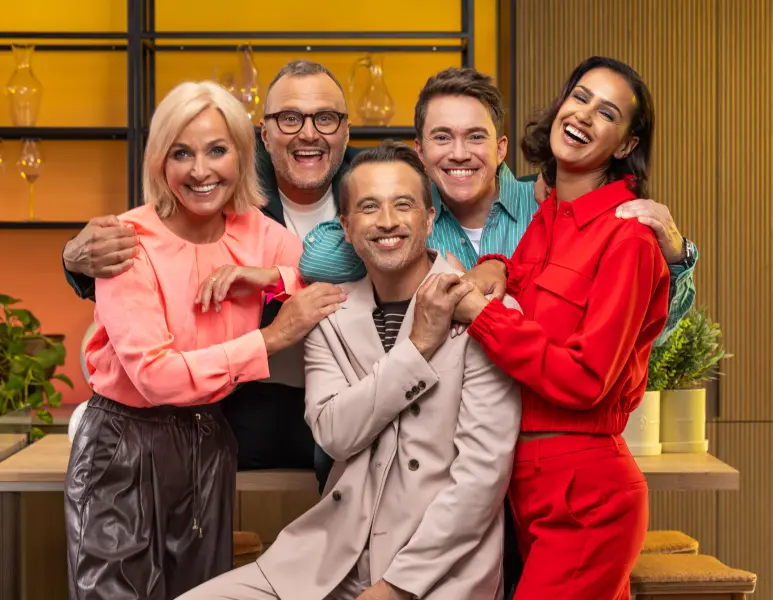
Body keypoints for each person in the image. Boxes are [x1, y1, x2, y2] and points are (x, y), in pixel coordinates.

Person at [178, 141, 522, 600]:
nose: (387, 221)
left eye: (403, 204)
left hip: (439, 572)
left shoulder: (485, 310)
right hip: (331, 557)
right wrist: (417, 347)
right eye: (368, 207)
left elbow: (480, 481)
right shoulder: (330, 314)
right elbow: (334, 434)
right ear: (345, 226)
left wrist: (396, 587)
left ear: (429, 219)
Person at [64, 81, 344, 600]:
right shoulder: (127, 242)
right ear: (158, 161)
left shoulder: (260, 234)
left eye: (217, 150)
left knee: (202, 594)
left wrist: (271, 278)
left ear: (242, 155)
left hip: (210, 441)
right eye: (181, 153)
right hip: (125, 444)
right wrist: (269, 338)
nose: (200, 170)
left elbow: (337, 287)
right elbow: (155, 376)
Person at [453, 56, 673, 599]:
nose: (584, 115)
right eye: (580, 97)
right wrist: (497, 265)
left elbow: (586, 377)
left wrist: (482, 316)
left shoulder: (628, 238)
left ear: (625, 145)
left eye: (608, 113)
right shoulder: (549, 218)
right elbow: (532, 291)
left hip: (587, 492)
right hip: (530, 484)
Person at [298, 67, 698, 350]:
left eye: (475, 137)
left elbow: (646, 336)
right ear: (420, 151)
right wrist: (398, 195)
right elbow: (316, 260)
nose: (459, 153)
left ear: (501, 148)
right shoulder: (406, 224)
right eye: (442, 137)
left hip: (542, 425)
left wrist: (677, 257)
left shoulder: (549, 210)